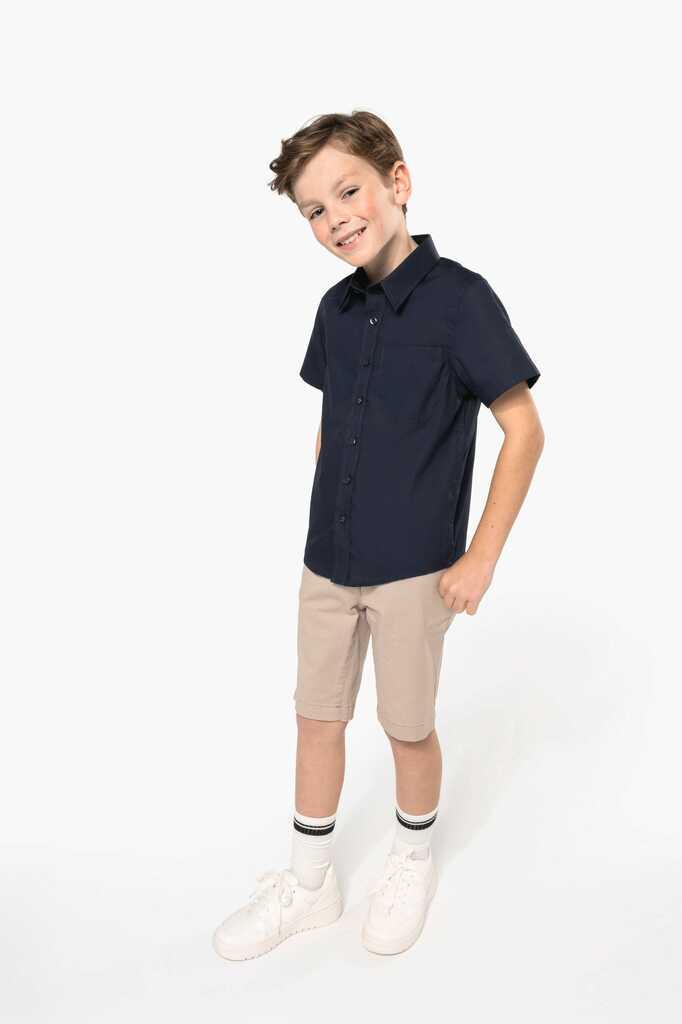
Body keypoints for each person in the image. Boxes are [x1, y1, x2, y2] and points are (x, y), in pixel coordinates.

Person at [213, 110, 544, 960]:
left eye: (348, 191)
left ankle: (411, 858)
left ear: (398, 181)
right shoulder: (334, 308)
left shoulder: (461, 300)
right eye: (314, 211)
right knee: (315, 717)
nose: (336, 219)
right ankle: (309, 883)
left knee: (405, 726)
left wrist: (480, 557)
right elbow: (334, 419)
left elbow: (524, 429)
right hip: (328, 562)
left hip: (413, 571)